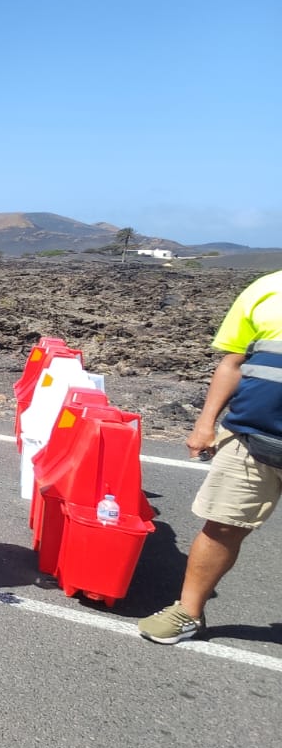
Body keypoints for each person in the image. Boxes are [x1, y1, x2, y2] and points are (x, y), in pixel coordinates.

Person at [138, 269, 282, 644]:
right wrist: (206, 423)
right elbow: (233, 364)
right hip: (251, 435)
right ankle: (188, 611)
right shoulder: (266, 289)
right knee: (221, 525)